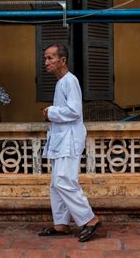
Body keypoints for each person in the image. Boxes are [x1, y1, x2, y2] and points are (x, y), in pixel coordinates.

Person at [38, 43, 101, 242]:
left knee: (64, 180)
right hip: (61, 140)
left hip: (69, 140)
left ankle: (89, 219)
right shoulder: (61, 83)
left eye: (50, 58)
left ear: (62, 60)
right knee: (56, 184)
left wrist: (51, 112)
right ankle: (61, 224)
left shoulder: (70, 81)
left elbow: (74, 111)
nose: (46, 62)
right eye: (45, 58)